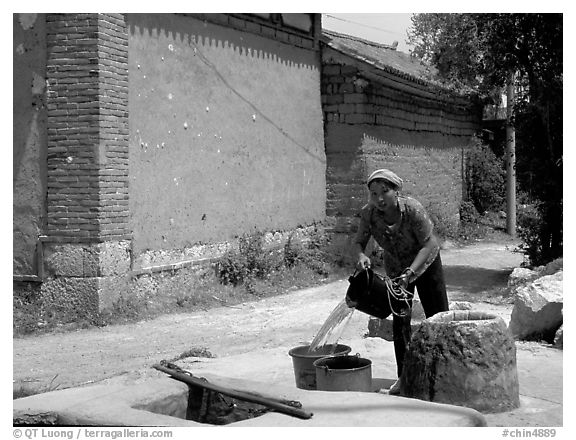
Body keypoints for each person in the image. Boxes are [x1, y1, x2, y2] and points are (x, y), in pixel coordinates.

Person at [346, 168, 449, 395]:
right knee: (400, 322)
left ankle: (443, 375)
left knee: (439, 317)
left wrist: (411, 272)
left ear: (396, 191)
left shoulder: (412, 209)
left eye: (384, 192)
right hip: (396, 270)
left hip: (425, 265)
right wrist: (362, 256)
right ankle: (404, 378)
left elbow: (430, 244)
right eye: (373, 194)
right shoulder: (369, 214)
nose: (379, 199)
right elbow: (358, 242)